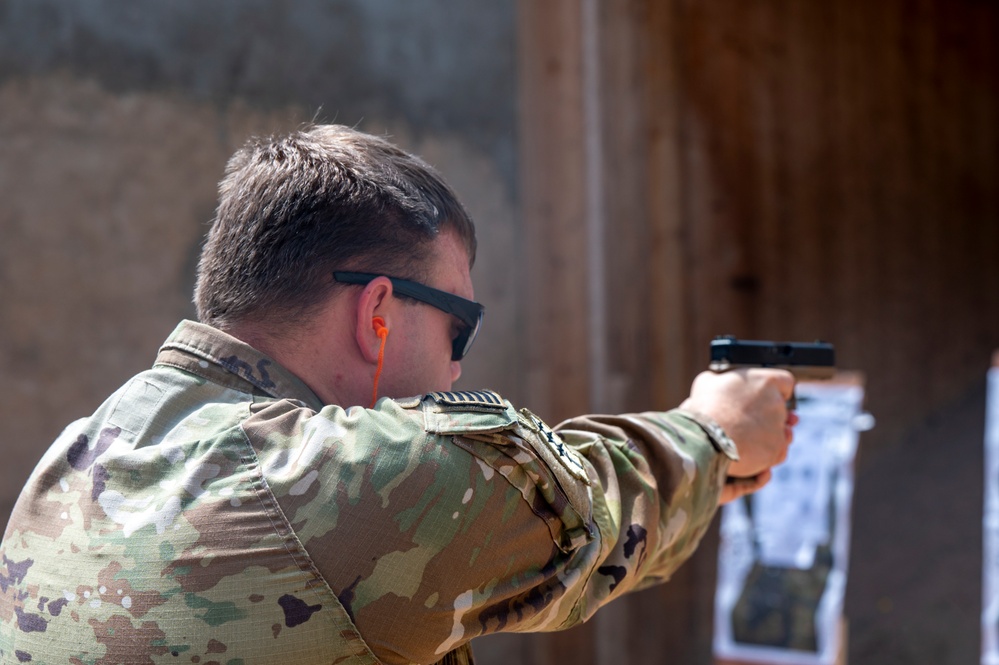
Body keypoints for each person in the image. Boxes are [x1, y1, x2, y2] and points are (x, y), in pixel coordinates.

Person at [0, 125, 795, 665]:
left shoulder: (80, 452)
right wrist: (716, 428)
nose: (455, 369)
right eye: (459, 325)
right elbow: (590, 504)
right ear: (377, 312)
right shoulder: (344, 478)